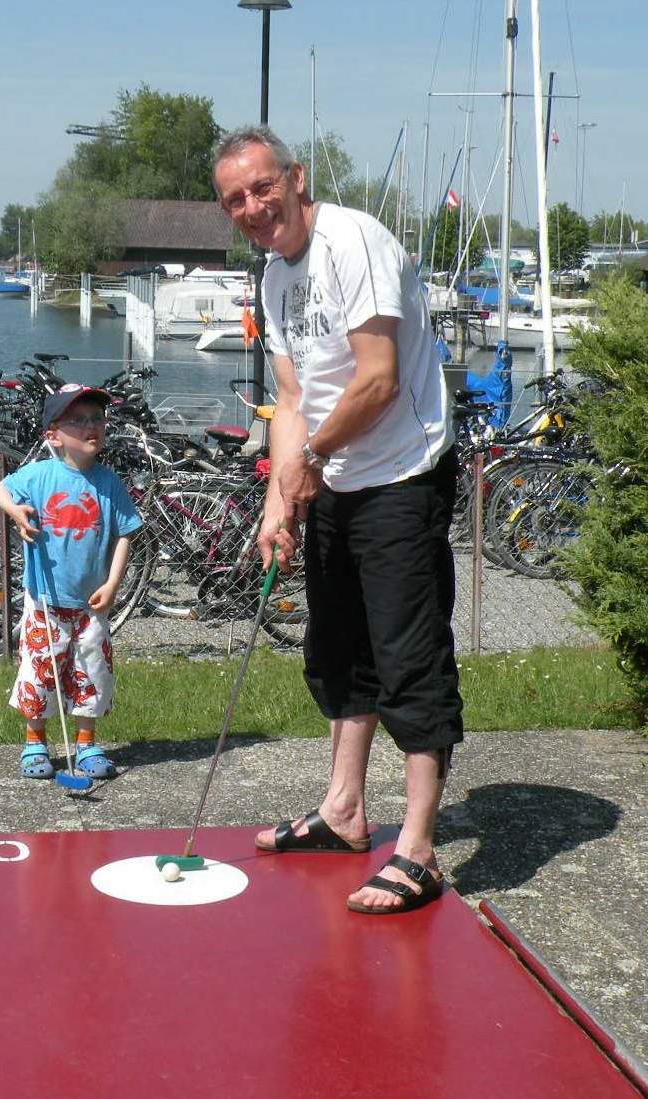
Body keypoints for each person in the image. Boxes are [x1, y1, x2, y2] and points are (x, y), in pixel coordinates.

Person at [212, 126, 464, 915]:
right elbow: (292, 398)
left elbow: (378, 380)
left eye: (263, 187)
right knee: (337, 651)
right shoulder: (273, 277)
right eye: (236, 200)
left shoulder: (355, 241)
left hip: (401, 474)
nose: (254, 207)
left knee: (407, 658)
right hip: (333, 477)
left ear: (295, 178)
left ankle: (417, 848)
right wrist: (277, 498)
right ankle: (344, 811)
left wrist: (312, 459)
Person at [0, 384, 142, 781]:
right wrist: (17, 513)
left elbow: (125, 534)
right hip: (46, 598)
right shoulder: (40, 475)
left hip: (91, 603)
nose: (92, 426)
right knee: (40, 669)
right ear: (53, 435)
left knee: (92, 670)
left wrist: (113, 584)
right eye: (79, 420)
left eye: (97, 419)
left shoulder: (109, 483)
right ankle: (35, 741)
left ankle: (87, 743)